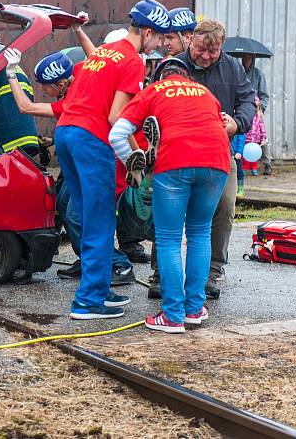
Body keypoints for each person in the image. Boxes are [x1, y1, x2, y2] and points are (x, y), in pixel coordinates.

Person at [55, 0, 169, 320]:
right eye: (159, 37)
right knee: (101, 218)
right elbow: (117, 117)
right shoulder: (132, 60)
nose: (159, 44)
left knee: (91, 216)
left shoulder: (107, 51)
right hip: (91, 140)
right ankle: (88, 302)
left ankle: (101, 290)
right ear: (147, 32)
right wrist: (137, 155)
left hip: (66, 134)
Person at [109, 58, 230, 333]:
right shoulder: (205, 93)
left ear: (158, 77)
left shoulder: (153, 91)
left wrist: (133, 166)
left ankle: (173, 315)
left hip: (175, 161)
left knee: (169, 238)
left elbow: (117, 133)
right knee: (200, 232)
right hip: (217, 161)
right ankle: (195, 309)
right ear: (187, 77)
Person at [6, 49, 135, 286]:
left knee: (79, 215)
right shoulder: (79, 73)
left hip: (96, 158)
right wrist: (77, 29)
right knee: (64, 204)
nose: (44, 91)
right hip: (82, 156)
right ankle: (87, 259)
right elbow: (96, 55)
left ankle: (118, 265)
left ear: (61, 83)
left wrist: (12, 73)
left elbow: (26, 107)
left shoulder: (72, 101)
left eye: (46, 86)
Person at [176, 19, 256, 299]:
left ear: (221, 47)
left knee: (224, 208)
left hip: (219, 151)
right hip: (178, 151)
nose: (206, 56)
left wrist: (237, 122)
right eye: (200, 50)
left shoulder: (232, 67)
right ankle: (161, 274)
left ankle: (212, 272)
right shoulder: (175, 66)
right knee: (167, 213)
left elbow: (248, 100)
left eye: (213, 52)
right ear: (190, 41)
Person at [238, 54, 272, 175]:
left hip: (256, 110)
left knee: (262, 136)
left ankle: (267, 163)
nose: (246, 60)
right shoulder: (238, 73)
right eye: (244, 58)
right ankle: (238, 163)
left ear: (253, 60)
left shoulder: (258, 74)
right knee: (240, 137)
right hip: (241, 109)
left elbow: (264, 95)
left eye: (249, 58)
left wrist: (260, 109)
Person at [231, 132, 246, 197]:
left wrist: (239, 152)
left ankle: (241, 190)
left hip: (235, 154)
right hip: (226, 153)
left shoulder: (238, 126)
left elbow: (241, 139)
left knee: (239, 171)